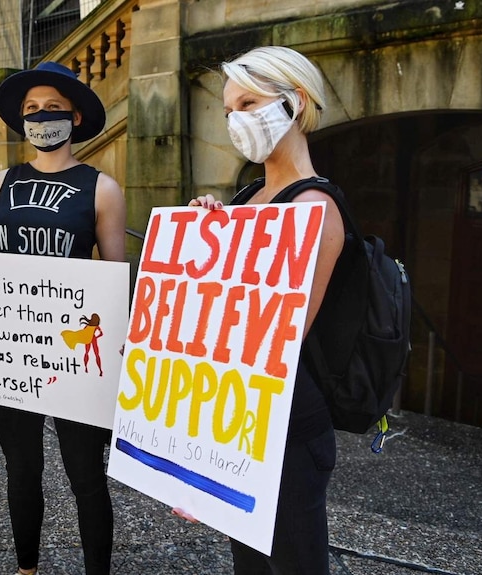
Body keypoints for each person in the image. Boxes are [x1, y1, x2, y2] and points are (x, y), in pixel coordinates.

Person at [0, 61, 126, 575]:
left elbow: (115, 280)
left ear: (75, 116)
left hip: (76, 354)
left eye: (52, 108)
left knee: (86, 475)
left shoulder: (102, 188)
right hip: (12, 350)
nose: (41, 117)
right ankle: (26, 568)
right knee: (21, 468)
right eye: (31, 109)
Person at [176, 46, 343, 574]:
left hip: (287, 427)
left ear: (295, 103)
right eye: (228, 112)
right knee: (248, 563)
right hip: (243, 417)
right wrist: (204, 234)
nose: (235, 121)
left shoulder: (312, 208)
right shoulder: (248, 197)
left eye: (248, 103)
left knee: (292, 563)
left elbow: (274, 340)